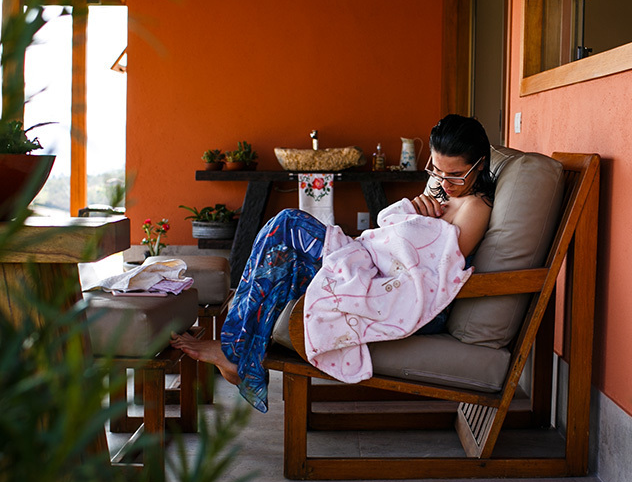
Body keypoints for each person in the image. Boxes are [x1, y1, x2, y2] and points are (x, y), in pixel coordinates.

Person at [170, 114, 496, 411]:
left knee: (287, 227)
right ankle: (238, 350)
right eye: (435, 170)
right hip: (375, 265)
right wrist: (412, 210)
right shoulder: (443, 189)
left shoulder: (475, 206)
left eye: (454, 175)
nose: (442, 182)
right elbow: (398, 229)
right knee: (282, 237)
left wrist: (416, 217)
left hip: (400, 294)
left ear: (480, 165)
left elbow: (438, 268)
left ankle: (235, 351)